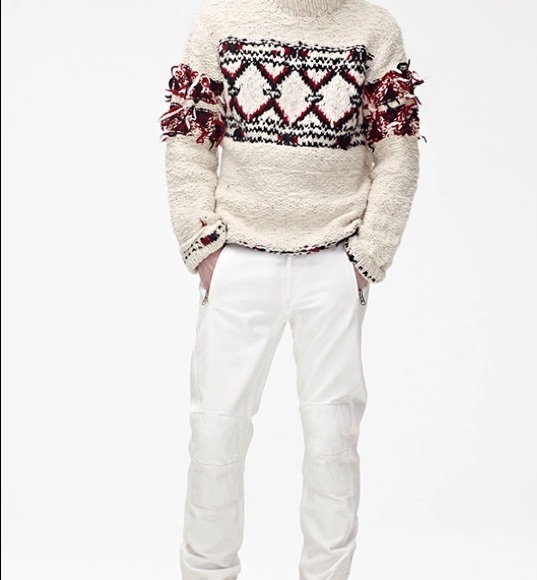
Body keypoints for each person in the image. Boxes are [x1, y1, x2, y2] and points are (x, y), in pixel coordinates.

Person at [158, 0, 425, 578]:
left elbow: (398, 150)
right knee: (214, 436)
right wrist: (202, 245)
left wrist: (367, 256)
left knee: (333, 444)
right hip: (238, 258)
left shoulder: (375, 30)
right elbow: (188, 136)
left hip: (333, 260)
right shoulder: (219, 22)